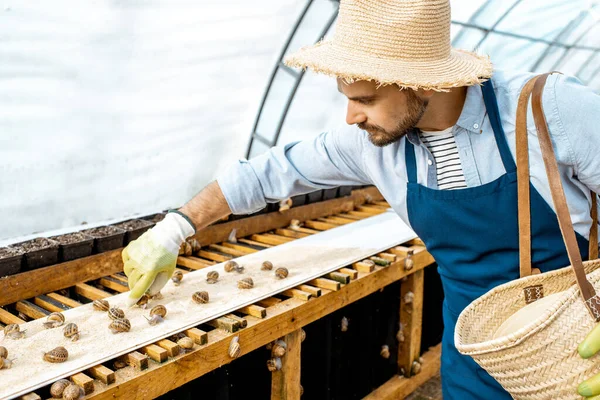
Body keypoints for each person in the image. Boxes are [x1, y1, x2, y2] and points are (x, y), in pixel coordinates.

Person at [122, 0, 600, 398]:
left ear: (421, 82)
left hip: (575, 344)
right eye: (345, 96)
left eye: (366, 98)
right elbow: (270, 172)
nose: (351, 116)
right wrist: (176, 227)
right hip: (474, 360)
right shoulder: (373, 145)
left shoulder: (547, 108)